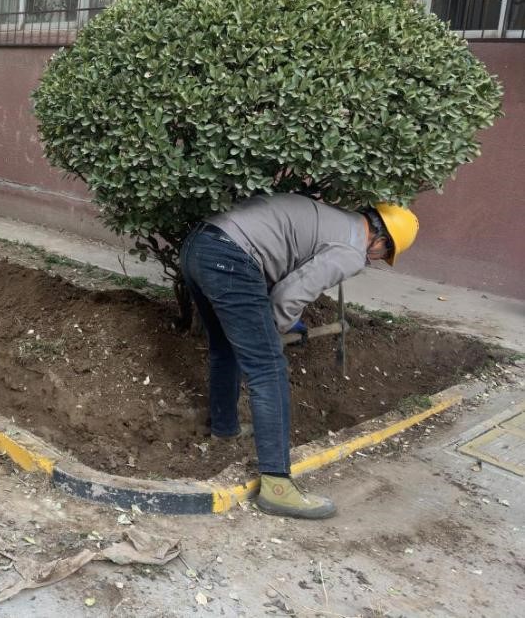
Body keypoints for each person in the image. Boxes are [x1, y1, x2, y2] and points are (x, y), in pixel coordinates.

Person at [179, 194, 419, 519]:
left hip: (199, 246)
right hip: (230, 259)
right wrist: (272, 333)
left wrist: (277, 323)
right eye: (385, 253)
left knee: (225, 348)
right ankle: (277, 487)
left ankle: (225, 428)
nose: (377, 259)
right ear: (380, 238)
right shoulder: (351, 250)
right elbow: (286, 296)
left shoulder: (338, 219)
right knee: (268, 368)